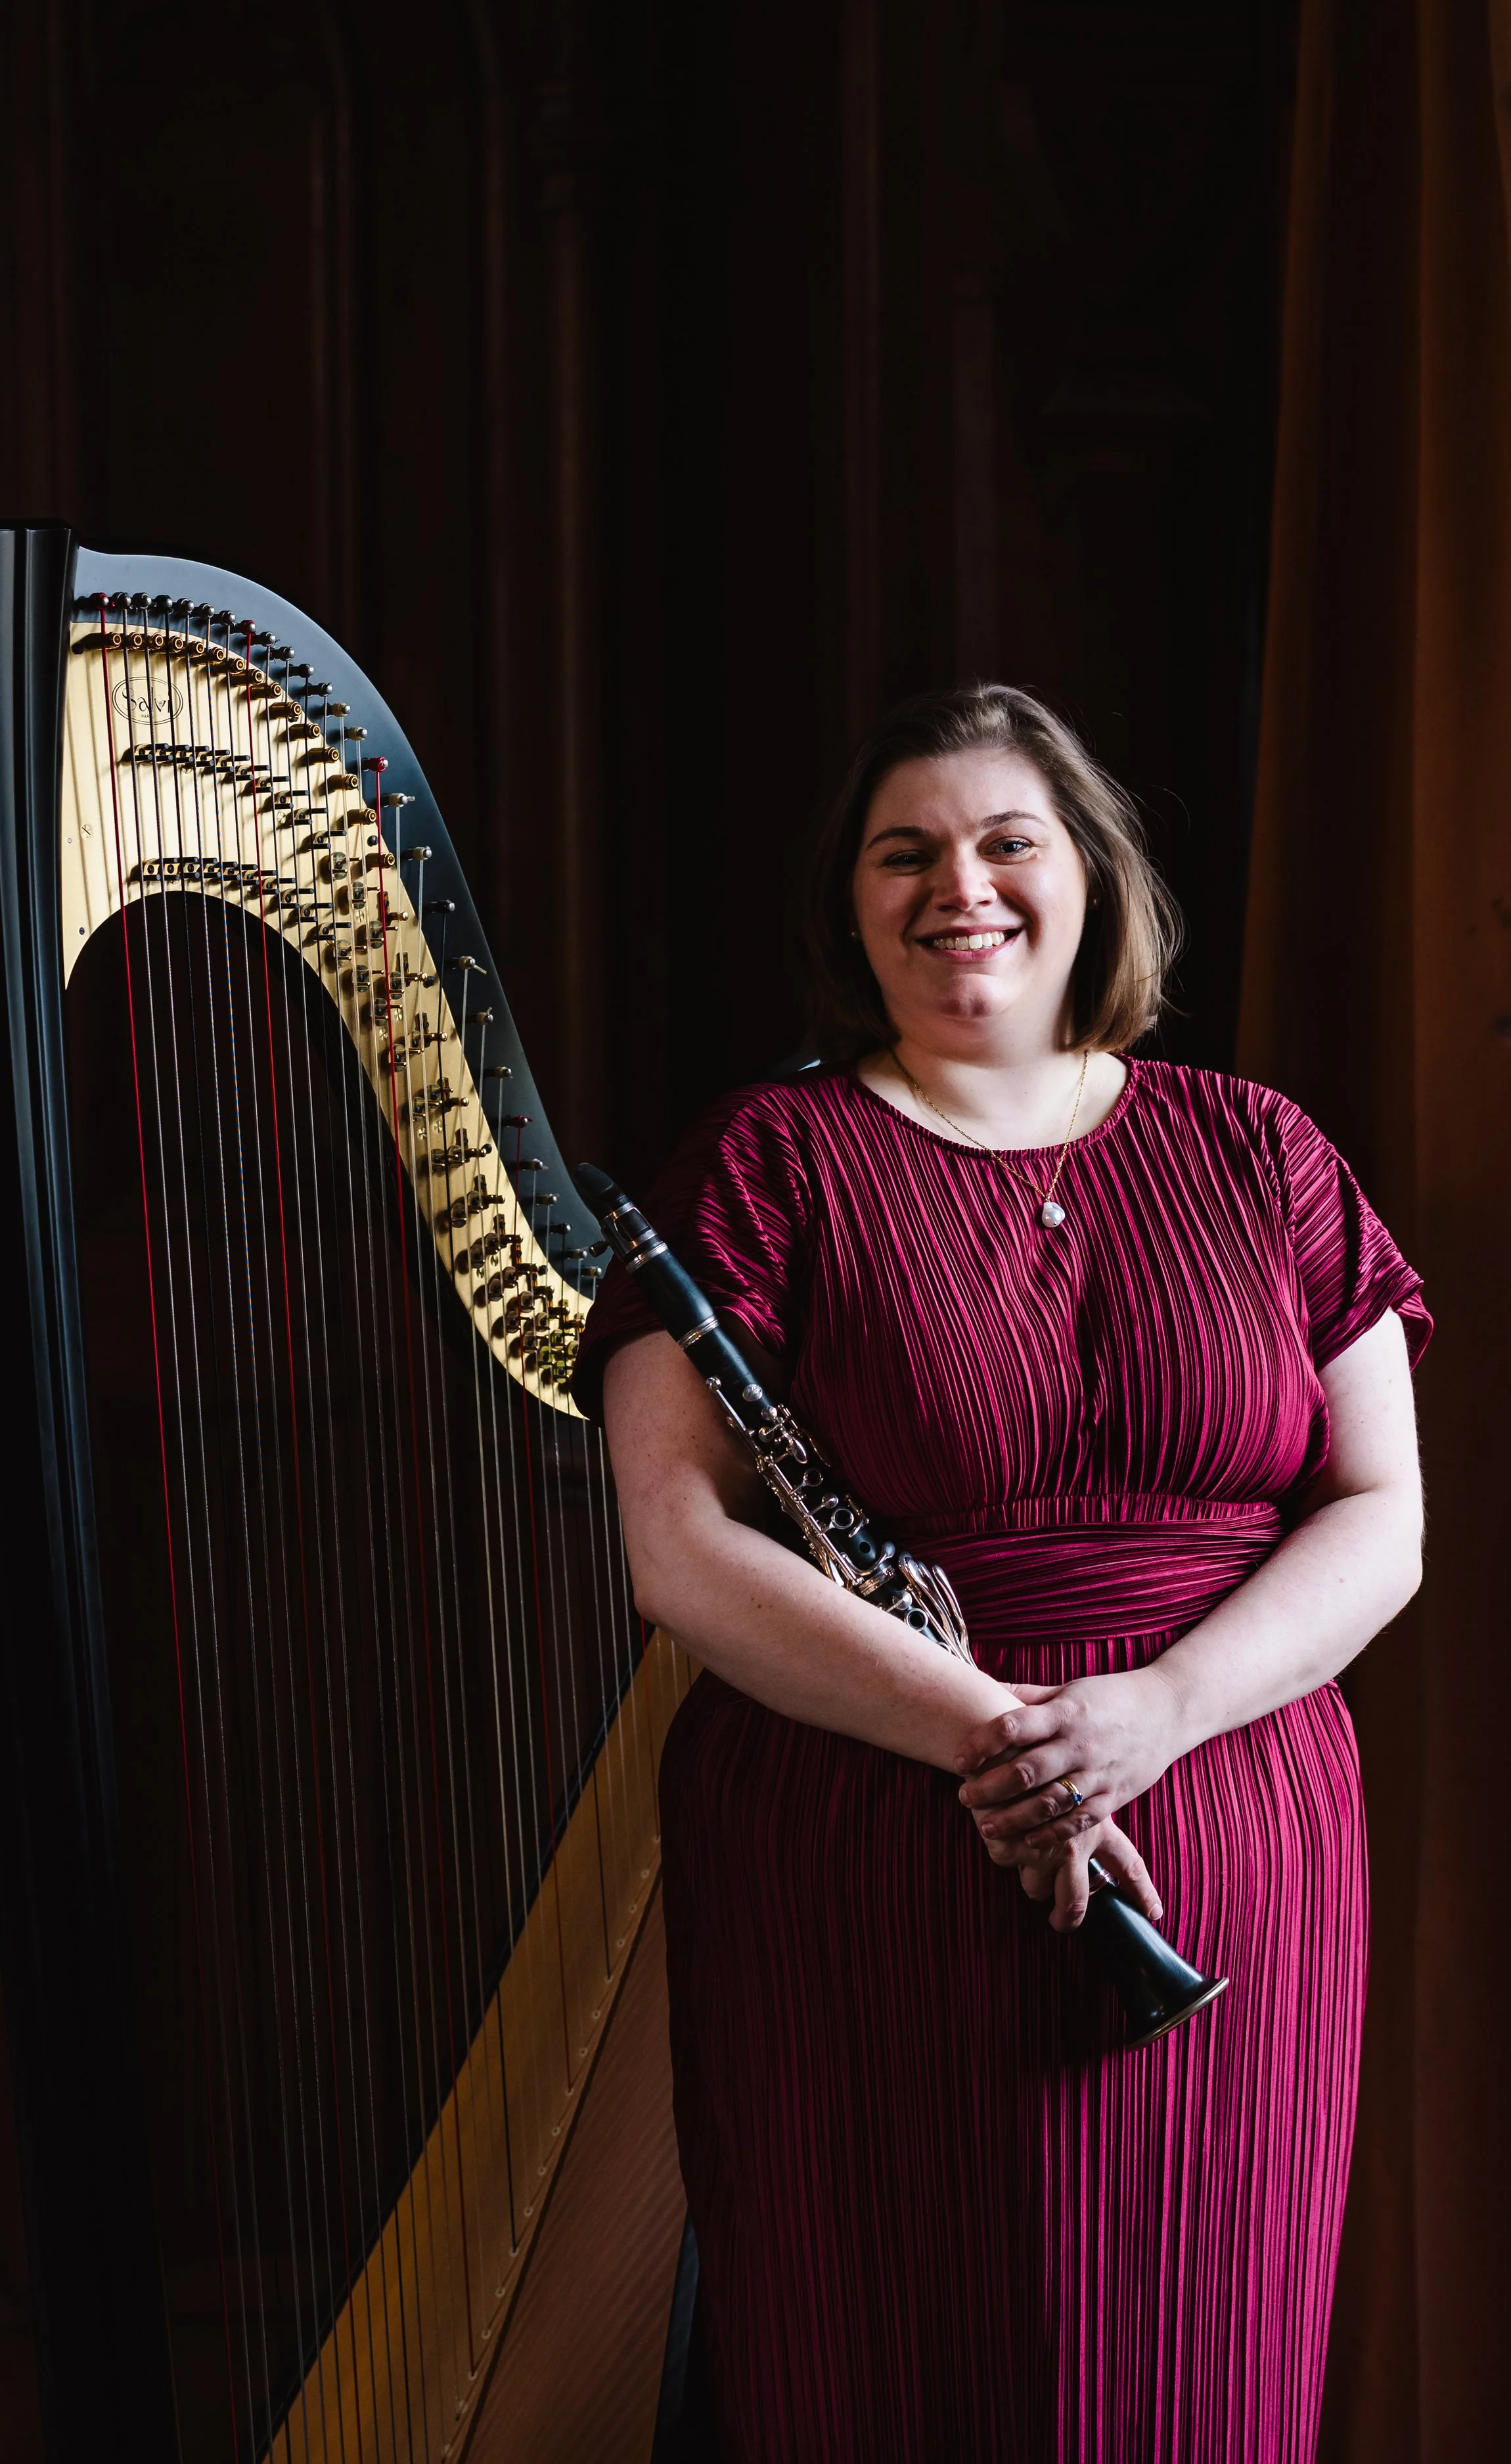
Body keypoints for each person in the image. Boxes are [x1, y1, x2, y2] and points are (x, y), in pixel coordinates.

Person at [572, 685, 1427, 2464]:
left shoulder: (1260, 1151)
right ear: (851, 902)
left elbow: (1377, 1513)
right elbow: (678, 1549)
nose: (957, 883)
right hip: (876, 1832)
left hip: (1222, 1820)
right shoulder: (756, 1166)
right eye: (906, 851)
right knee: (891, 2358)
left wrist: (1153, 1709)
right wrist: (1006, 1739)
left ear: (1088, 880)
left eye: (1003, 839)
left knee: (1205, 2365)